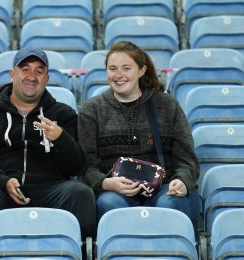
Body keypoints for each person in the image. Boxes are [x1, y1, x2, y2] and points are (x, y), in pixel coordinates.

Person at [0, 47, 96, 240]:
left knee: (80, 193)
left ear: (47, 78)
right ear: (12, 74)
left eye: (39, 71)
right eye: (25, 69)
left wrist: (61, 139)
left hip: (51, 189)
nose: (32, 76)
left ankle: (78, 251)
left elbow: (77, 167)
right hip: (4, 190)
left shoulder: (63, 114)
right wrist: (2, 181)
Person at [78, 41, 201, 221]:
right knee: (109, 204)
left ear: (141, 71)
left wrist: (182, 181)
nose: (118, 75)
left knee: (169, 204)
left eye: (126, 68)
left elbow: (187, 159)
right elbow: (86, 165)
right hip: (115, 190)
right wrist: (106, 183)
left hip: (164, 186)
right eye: (112, 68)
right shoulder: (91, 110)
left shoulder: (167, 105)